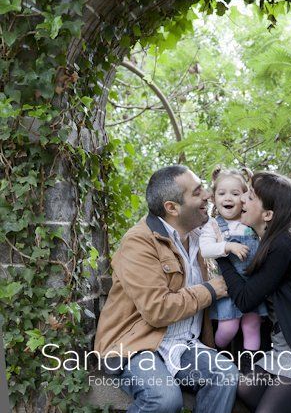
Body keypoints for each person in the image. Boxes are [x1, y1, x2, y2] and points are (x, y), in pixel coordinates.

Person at [94, 165, 239, 413]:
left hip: (185, 345)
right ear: (172, 208)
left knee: (224, 374)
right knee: (164, 399)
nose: (207, 195)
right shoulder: (139, 241)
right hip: (137, 345)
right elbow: (157, 309)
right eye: (197, 192)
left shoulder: (200, 237)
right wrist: (210, 290)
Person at [216, 171, 291, 413]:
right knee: (245, 389)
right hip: (284, 347)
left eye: (249, 198)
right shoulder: (274, 239)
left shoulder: (284, 244)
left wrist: (221, 255)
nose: (241, 201)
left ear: (268, 214)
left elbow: (245, 300)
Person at [199, 167, 267, 359]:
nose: (228, 198)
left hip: (252, 285)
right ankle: (214, 353)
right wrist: (227, 246)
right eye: (222, 193)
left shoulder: (249, 222)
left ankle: (249, 363)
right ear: (213, 198)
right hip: (228, 289)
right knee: (229, 327)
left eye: (235, 193)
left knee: (251, 325)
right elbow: (205, 249)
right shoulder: (212, 225)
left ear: (244, 198)